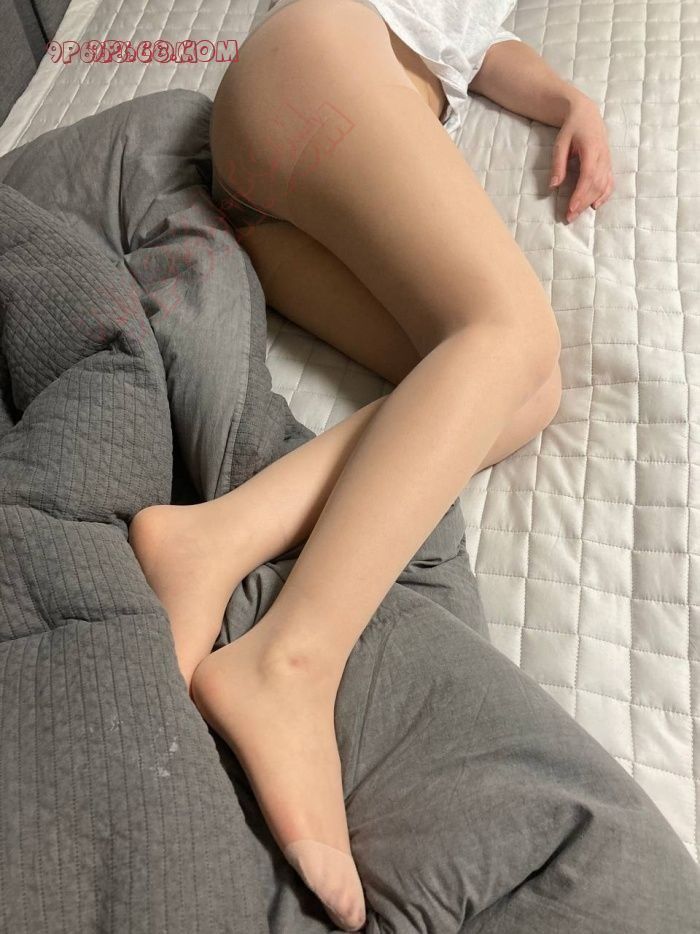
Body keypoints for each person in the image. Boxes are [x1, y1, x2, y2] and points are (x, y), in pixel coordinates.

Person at [128, 0, 616, 928]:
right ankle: (292, 660)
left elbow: (477, 43)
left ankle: (208, 541)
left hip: (285, 186)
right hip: (321, 64)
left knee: (523, 389)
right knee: (514, 330)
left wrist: (568, 101)